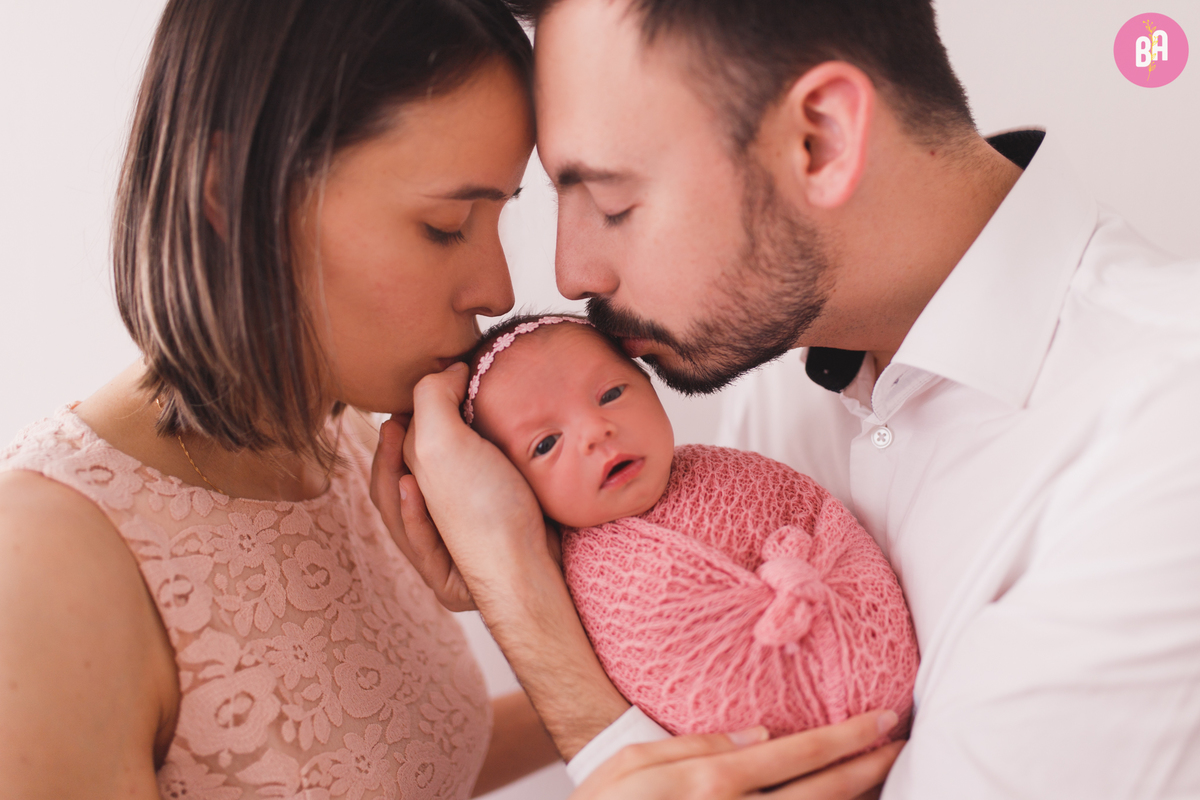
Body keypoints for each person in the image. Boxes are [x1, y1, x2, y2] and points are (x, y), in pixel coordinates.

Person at [0, 1, 909, 798]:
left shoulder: (358, 447)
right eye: (444, 226)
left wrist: (574, 639)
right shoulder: (45, 567)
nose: (497, 286)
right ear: (229, 195)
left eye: (499, 217)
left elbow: (389, 761)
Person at [379, 0, 1200, 797]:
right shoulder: (779, 366)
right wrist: (527, 562)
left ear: (820, 140)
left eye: (615, 203)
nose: (571, 274)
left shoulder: (1163, 443)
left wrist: (530, 617)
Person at [462, 313, 918, 740]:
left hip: (892, 685)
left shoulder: (730, 469)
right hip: (758, 753)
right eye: (545, 443)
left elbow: (822, 520)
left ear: (650, 385)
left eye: (610, 395)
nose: (595, 432)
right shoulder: (573, 585)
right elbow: (653, 671)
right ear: (514, 484)